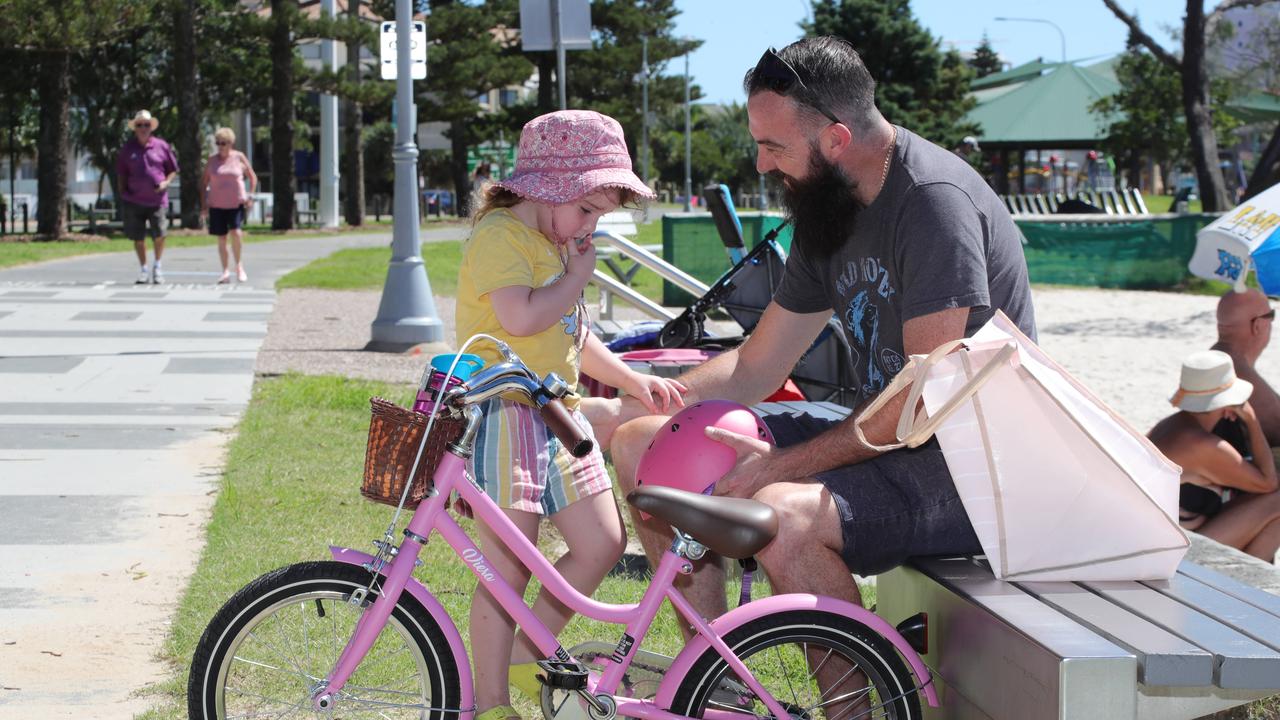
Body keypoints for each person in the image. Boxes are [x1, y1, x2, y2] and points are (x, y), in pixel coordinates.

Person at [589, 36, 1037, 627]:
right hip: (884, 434)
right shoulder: (830, 203)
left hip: (970, 467)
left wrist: (779, 466)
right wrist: (653, 397)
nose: (760, 165)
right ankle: (709, 676)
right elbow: (757, 366)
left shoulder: (933, 204)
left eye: (773, 147)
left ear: (836, 138)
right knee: (642, 441)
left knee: (784, 513)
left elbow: (920, 398)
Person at [455, 110, 687, 720]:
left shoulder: (558, 242)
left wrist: (633, 378)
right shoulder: (502, 236)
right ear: (549, 189)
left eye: (599, 215)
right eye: (587, 209)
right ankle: (491, 703)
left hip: (558, 414)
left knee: (603, 541)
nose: (590, 226)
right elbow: (522, 319)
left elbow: (571, 333)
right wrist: (578, 273)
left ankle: (527, 657)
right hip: (504, 413)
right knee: (508, 568)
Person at [1149, 350, 1280, 563]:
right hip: (1173, 554)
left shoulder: (1171, 424)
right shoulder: (1202, 445)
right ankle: (1249, 586)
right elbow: (1268, 483)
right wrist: (1251, 420)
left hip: (1163, 539)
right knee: (1277, 500)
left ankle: (1251, 579)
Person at [116, 110, 178, 284]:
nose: (143, 128)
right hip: (134, 200)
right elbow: (121, 172)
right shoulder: (128, 148)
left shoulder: (162, 146)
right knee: (138, 237)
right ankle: (143, 268)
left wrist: (166, 182)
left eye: (146, 125)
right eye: (139, 125)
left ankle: (157, 266)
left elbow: (173, 169)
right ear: (135, 128)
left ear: (151, 127)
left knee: (160, 233)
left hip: (157, 200)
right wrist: (123, 193)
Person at [1212, 288, 1280, 445]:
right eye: (1271, 315)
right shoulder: (1234, 372)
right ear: (1257, 325)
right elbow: (1276, 429)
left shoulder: (1218, 361)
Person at [199, 127, 258, 283]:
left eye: (223, 143)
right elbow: (204, 183)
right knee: (222, 238)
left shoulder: (239, 157)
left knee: (236, 233)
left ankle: (239, 265)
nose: (220, 146)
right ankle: (225, 271)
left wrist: (250, 195)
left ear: (230, 143)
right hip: (217, 204)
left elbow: (252, 177)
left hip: (235, 203)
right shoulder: (212, 161)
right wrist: (204, 205)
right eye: (218, 143)